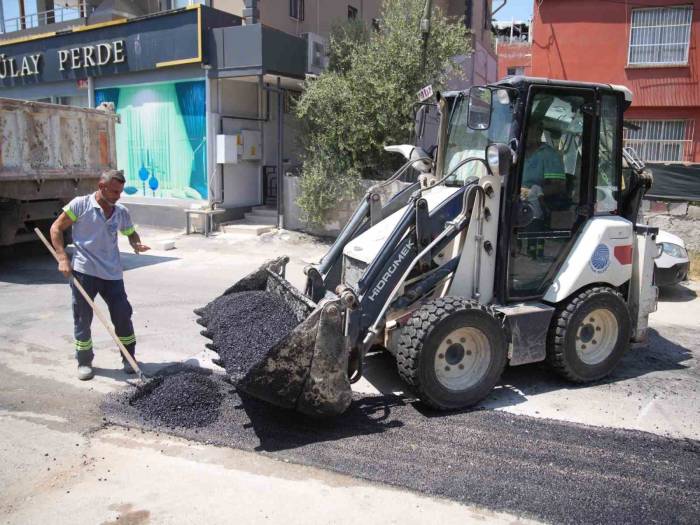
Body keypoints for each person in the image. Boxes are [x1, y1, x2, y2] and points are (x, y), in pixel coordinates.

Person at [50, 170, 150, 381]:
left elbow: (131, 232)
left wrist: (136, 243)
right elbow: (56, 227)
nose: (118, 195)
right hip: (85, 272)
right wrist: (62, 258)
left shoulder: (121, 211)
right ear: (101, 186)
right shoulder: (81, 205)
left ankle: (128, 358)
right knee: (82, 318)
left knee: (123, 316)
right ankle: (84, 361)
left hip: (112, 274)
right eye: (114, 191)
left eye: (120, 191)